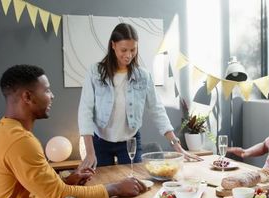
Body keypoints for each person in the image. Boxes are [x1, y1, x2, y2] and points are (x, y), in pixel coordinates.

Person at [0, 65, 146, 198]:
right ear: (27, 97)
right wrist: (116, 188)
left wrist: (67, 180)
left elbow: (33, 187)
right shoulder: (20, 142)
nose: (52, 96)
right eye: (47, 90)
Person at [78, 23, 200, 168]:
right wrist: (90, 152)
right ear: (113, 45)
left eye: (133, 50)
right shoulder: (95, 72)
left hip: (130, 141)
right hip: (100, 141)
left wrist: (176, 145)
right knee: (103, 185)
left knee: (134, 183)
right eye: (124, 50)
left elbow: (157, 110)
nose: (128, 55)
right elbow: (85, 110)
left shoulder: (143, 76)